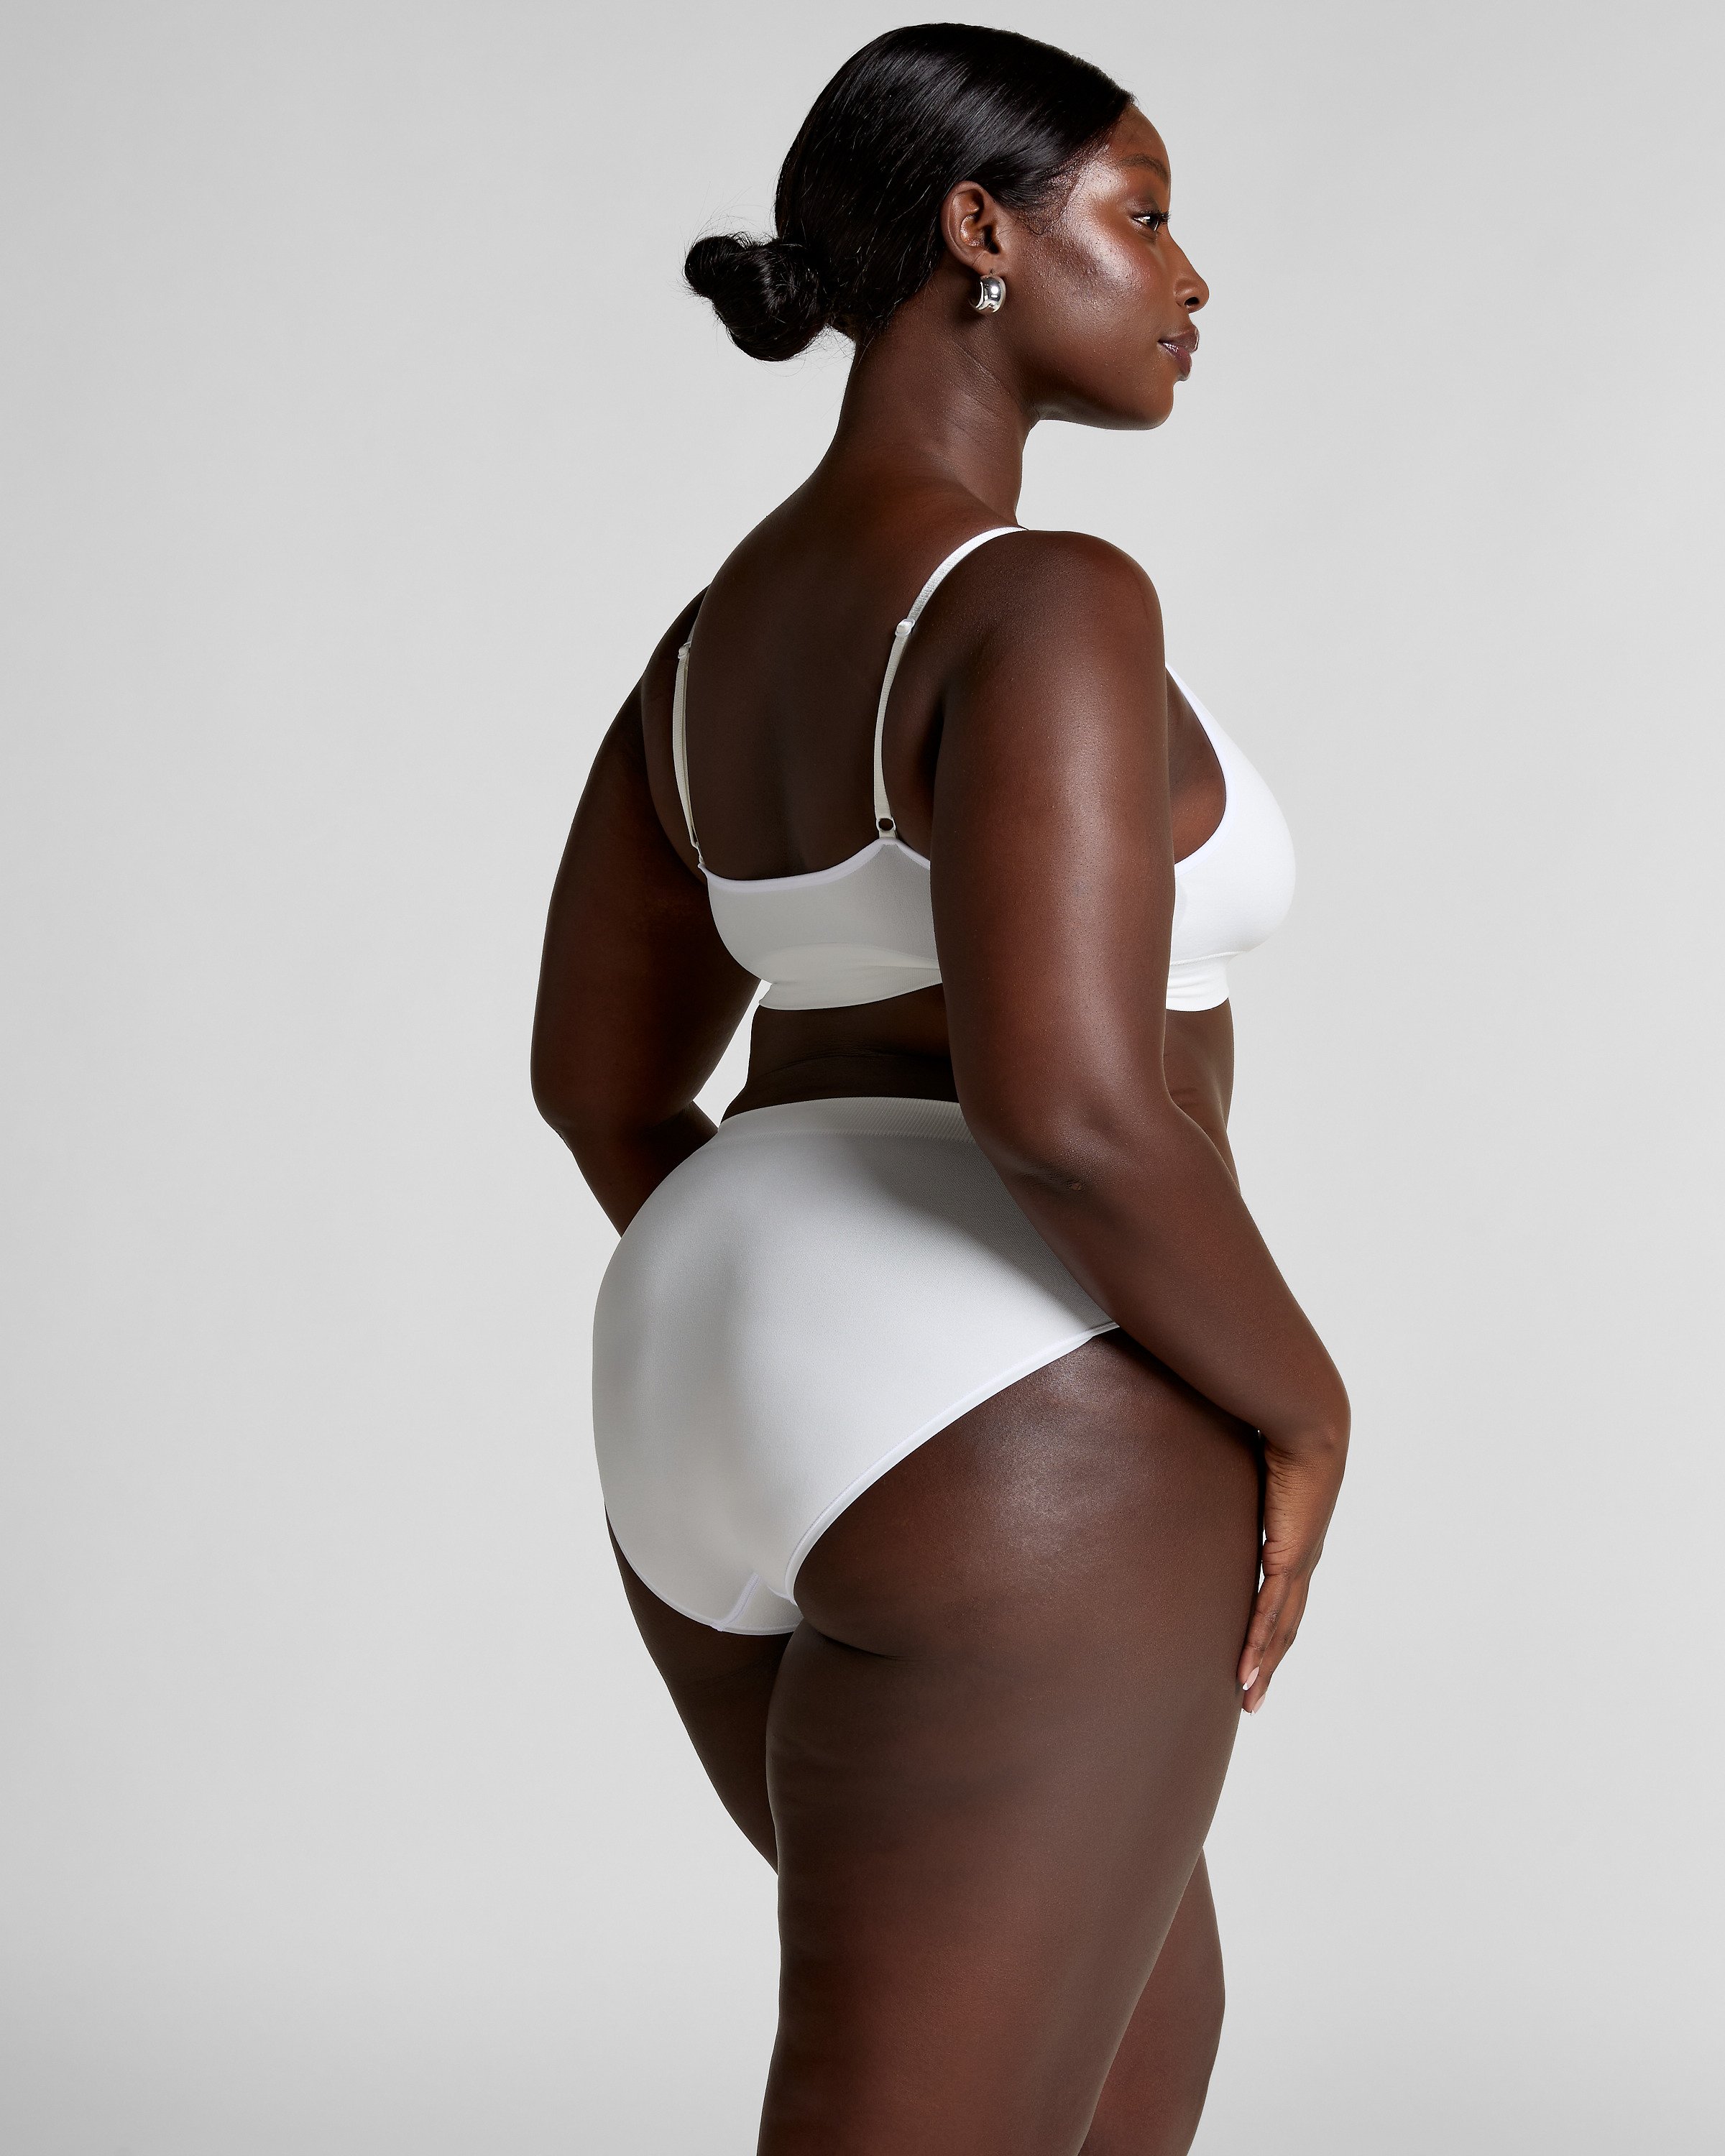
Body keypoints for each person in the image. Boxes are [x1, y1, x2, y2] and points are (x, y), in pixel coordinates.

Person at [532, 24, 1348, 2152]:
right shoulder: (1043, 600)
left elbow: (595, 1087)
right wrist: (1303, 1403)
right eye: (1143, 215)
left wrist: (789, 1319)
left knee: (1123, 2049)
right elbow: (1064, 1109)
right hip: (997, 1393)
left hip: (709, 1374)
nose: (1188, 276)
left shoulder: (707, 646)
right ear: (982, 233)